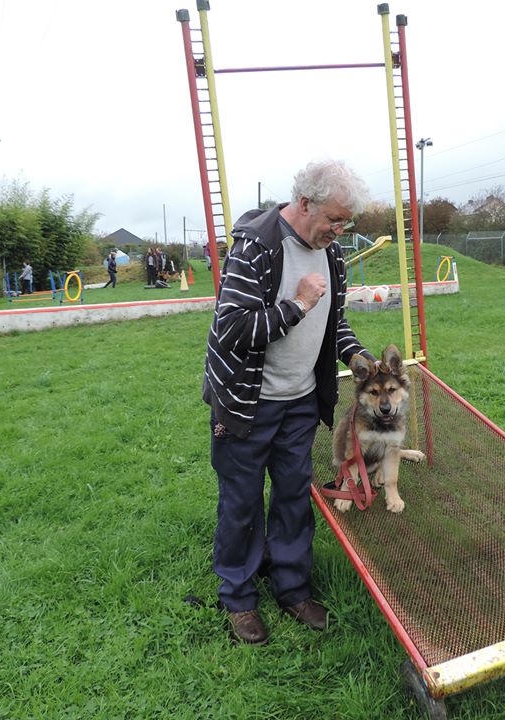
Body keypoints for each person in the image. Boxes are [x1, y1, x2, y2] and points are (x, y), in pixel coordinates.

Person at [202, 159, 372, 645]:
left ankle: (292, 588)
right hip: (246, 401)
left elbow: (333, 322)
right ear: (304, 203)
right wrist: (296, 305)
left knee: (295, 495)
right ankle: (238, 597)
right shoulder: (256, 247)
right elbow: (232, 329)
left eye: (346, 223)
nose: (339, 232)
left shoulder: (332, 256)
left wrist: (355, 355)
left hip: (299, 400)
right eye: (334, 219)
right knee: (241, 500)